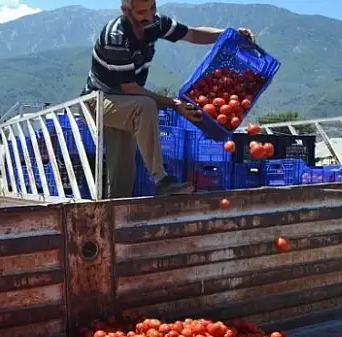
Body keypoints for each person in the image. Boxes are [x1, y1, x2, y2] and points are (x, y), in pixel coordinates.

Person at [81, 0, 256, 198]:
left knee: (122, 174)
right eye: (141, 12)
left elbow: (191, 33)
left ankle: (115, 217)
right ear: (125, 11)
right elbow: (130, 88)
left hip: (125, 101)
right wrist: (173, 104)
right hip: (97, 101)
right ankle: (162, 180)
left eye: (152, 9)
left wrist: (228, 34)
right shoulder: (115, 37)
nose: (148, 16)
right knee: (145, 106)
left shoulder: (155, 24)